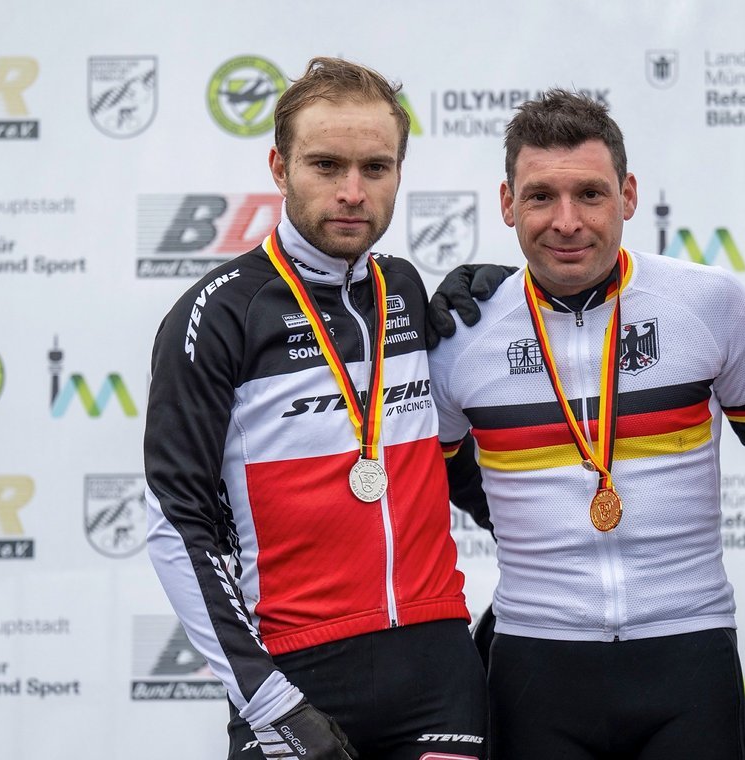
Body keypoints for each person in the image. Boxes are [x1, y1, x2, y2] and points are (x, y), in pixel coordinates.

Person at [143, 57, 487, 760]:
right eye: (326, 165)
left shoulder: (405, 290)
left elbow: (469, 462)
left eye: (376, 167)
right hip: (295, 679)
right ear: (279, 166)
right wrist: (269, 700)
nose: (352, 192)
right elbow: (178, 527)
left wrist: (516, 300)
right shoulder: (218, 315)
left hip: (437, 673)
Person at [427, 89, 745, 760]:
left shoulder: (712, 305)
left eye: (590, 194)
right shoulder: (458, 338)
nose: (567, 221)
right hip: (537, 662)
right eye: (540, 197)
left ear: (628, 194)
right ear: (506, 203)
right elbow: (446, 477)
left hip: (689, 656)